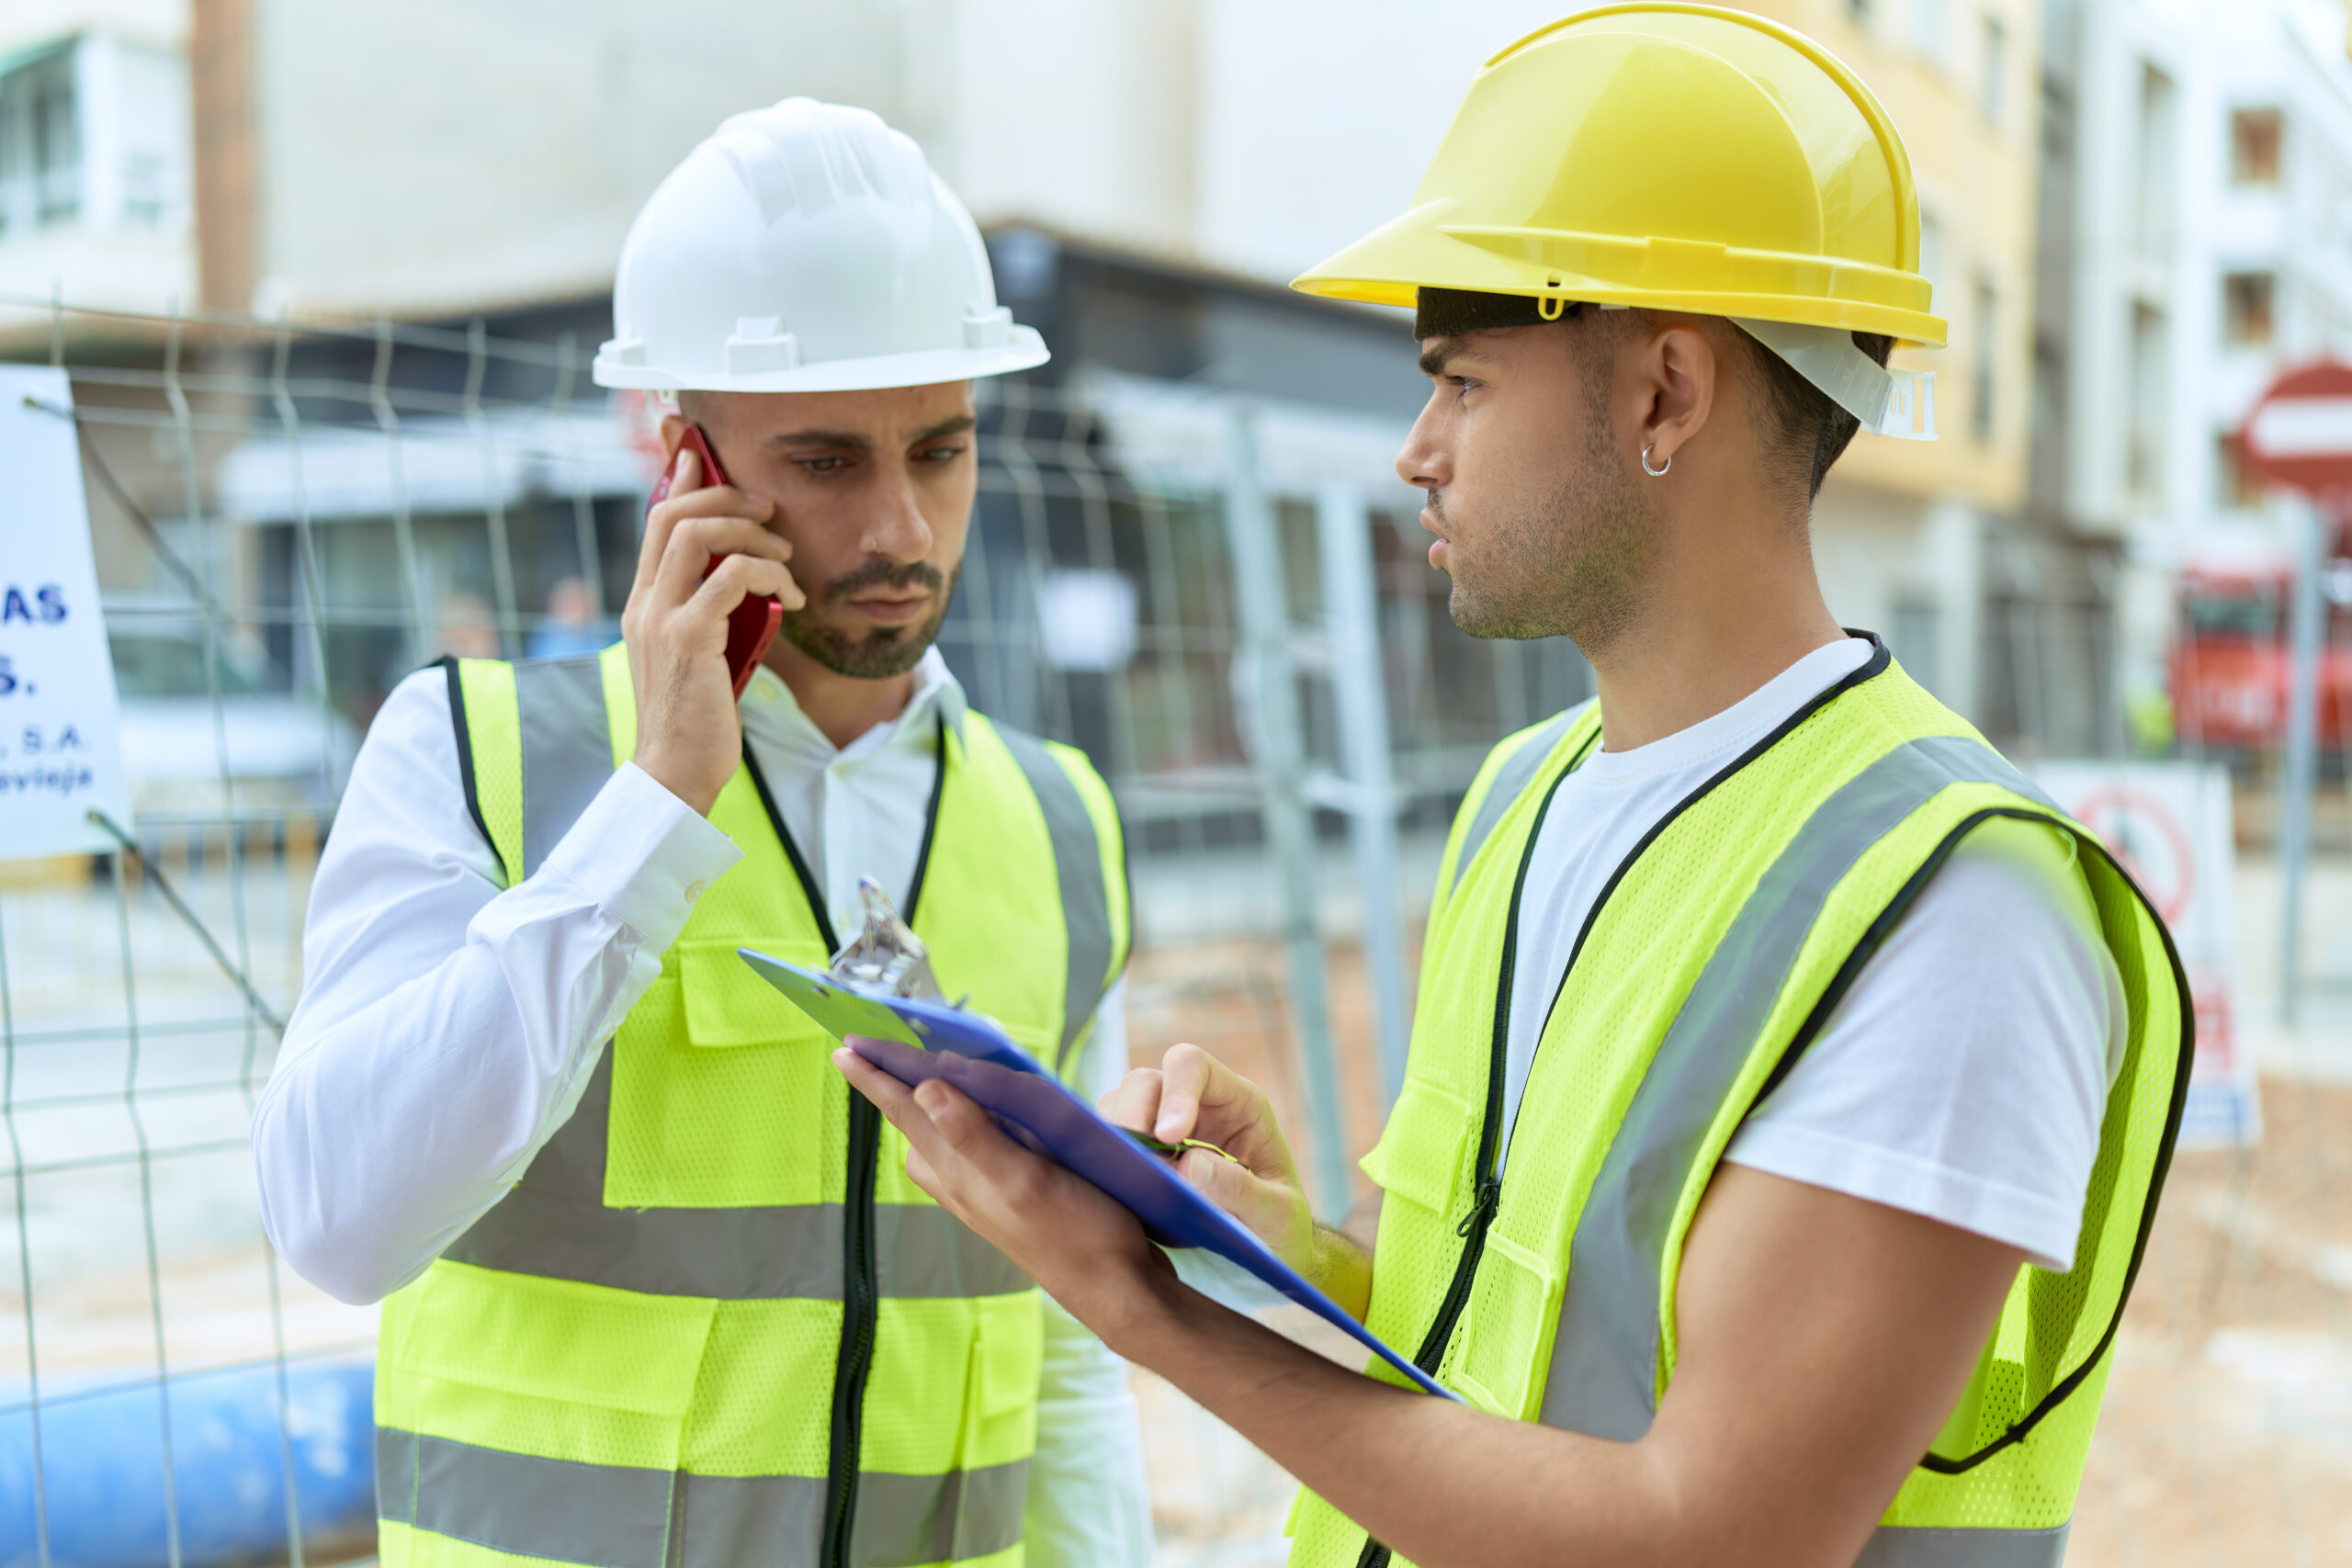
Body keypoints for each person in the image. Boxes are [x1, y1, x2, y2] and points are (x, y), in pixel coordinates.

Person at [831, 11, 2190, 1568]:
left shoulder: (1955, 910)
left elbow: (1715, 1535)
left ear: (1666, 394)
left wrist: (1146, 1314)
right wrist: (1286, 1255)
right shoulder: (1525, 795)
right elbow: (1507, 1356)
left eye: (1464, 381)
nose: (1416, 449)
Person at [254, 99, 1154, 1568]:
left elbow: (1064, 1353)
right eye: (827, 462)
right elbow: (340, 1224)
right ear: (686, 462)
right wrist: (655, 805)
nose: (905, 531)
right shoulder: (474, 756)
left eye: (940, 451)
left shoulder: (1058, 824)